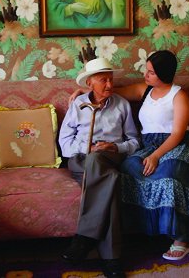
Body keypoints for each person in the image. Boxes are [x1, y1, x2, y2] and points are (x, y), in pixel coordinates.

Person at [69, 50, 189, 261]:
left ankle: (181, 238)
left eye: (151, 72)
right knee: (128, 168)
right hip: (148, 144)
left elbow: (178, 134)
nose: (145, 75)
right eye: (146, 70)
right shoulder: (144, 90)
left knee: (168, 174)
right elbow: (109, 90)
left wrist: (156, 156)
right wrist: (83, 91)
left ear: (163, 74)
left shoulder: (179, 96)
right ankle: (144, 228)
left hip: (176, 144)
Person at [59, 57, 140, 278]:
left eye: (111, 79)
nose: (109, 85)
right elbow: (64, 142)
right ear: (89, 84)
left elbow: (134, 141)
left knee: (102, 165)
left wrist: (115, 147)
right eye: (103, 80)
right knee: (110, 179)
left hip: (109, 158)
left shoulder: (121, 105)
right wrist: (88, 148)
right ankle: (111, 259)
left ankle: (85, 237)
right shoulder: (78, 104)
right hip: (80, 160)